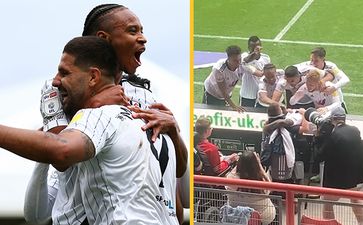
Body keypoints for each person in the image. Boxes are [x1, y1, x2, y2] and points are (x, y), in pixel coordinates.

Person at [24, 4, 188, 225]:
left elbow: (180, 193)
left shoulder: (146, 96)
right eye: (133, 31)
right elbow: (61, 157)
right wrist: (92, 107)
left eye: (141, 30)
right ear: (104, 38)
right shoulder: (63, 89)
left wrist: (174, 130)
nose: (143, 38)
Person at [318, 106, 363, 225]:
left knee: (328, 203)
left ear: (332, 119)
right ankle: (361, 223)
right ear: (344, 118)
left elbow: (320, 156)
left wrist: (319, 137)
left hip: (336, 179)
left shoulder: (332, 135)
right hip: (355, 176)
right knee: (355, 199)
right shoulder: (355, 130)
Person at [225, 150, 276, 225]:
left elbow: (233, 174)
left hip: (236, 216)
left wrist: (241, 163)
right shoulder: (263, 180)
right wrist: (258, 164)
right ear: (256, 165)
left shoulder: (230, 178)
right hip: (262, 219)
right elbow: (270, 188)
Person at [295, 47, 350, 111]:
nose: (313, 63)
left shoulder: (331, 67)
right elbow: (292, 68)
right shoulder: (308, 65)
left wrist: (333, 88)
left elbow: (345, 79)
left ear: (323, 60)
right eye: (311, 60)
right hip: (319, 104)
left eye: (316, 61)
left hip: (335, 101)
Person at [202, 45, 246, 112]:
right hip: (212, 93)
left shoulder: (241, 65)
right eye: (235, 61)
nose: (238, 63)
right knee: (209, 113)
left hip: (227, 93)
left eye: (239, 59)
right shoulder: (219, 69)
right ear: (228, 59)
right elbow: (223, 91)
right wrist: (233, 106)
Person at [239, 36, 269, 107]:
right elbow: (260, 74)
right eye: (253, 47)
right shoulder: (244, 57)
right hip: (247, 95)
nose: (256, 48)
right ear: (249, 47)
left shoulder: (266, 58)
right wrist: (254, 53)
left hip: (261, 94)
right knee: (245, 115)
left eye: (258, 46)